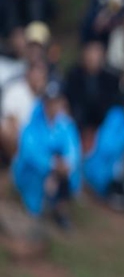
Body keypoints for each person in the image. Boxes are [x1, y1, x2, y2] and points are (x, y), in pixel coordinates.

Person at [11, 81, 81, 230]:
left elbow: (73, 149)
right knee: (34, 206)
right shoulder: (32, 123)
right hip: (33, 174)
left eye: (56, 101)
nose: (53, 106)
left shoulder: (66, 124)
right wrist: (52, 165)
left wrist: (65, 165)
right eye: (50, 102)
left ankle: (60, 208)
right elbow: (29, 153)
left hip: (58, 173)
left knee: (68, 177)